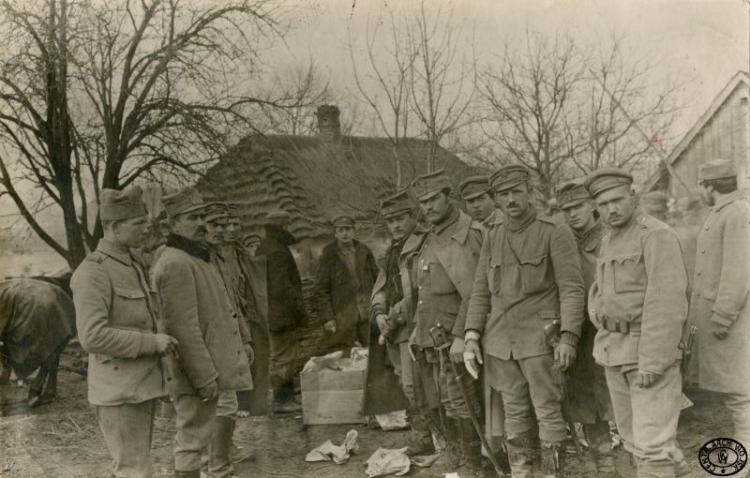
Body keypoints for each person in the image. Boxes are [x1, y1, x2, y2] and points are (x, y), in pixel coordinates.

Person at [464, 165, 585, 478]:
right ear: (497, 200)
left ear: (529, 192)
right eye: (503, 195)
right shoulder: (493, 237)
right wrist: (471, 335)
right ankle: (522, 473)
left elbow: (572, 288)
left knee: (547, 409)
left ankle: (551, 473)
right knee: (514, 411)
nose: (511, 199)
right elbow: (480, 291)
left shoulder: (553, 230)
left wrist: (569, 336)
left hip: (540, 339)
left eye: (516, 191)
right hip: (500, 341)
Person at [585, 168, 688, 478]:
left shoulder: (655, 235)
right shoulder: (609, 238)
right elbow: (601, 291)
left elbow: (667, 303)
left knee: (651, 448)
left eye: (617, 200)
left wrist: (653, 361)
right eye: (603, 205)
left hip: (645, 353)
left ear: (633, 197)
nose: (611, 210)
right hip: (614, 352)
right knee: (633, 441)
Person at [71, 185, 178, 477]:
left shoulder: (131, 263)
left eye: (146, 221)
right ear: (115, 227)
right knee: (134, 470)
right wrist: (150, 343)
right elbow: (92, 336)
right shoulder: (94, 272)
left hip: (140, 386)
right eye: (139, 223)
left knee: (138, 466)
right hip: (119, 392)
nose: (147, 228)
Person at [152, 187, 253, 478]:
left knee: (196, 437)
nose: (200, 223)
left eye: (201, 216)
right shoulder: (175, 263)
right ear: (172, 225)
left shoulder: (197, 258)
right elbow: (182, 328)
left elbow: (223, 308)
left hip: (209, 365)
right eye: (191, 217)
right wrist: (203, 376)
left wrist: (241, 341)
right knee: (191, 441)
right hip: (196, 372)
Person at [408, 169, 486, 476]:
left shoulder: (466, 234)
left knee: (463, 401)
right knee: (451, 401)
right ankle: (460, 461)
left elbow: (475, 291)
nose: (427, 207)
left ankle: (474, 466)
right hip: (435, 336)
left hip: (457, 337)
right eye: (423, 202)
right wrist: (417, 328)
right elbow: (424, 291)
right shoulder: (432, 236)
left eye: (433, 200)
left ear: (448, 197)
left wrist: (461, 336)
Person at [556, 179, 616, 476]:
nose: (572, 214)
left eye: (577, 207)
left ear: (592, 204)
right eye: (565, 210)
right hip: (576, 328)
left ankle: (616, 452)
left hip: (608, 326)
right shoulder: (563, 239)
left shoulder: (610, 235)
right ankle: (597, 453)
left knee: (608, 393)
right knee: (583, 394)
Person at [690, 159, 750, 456]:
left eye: (701, 186)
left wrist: (723, 316)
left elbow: (738, 272)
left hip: (735, 322)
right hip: (724, 321)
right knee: (737, 393)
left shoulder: (738, 213)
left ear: (709, 186)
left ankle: (745, 458)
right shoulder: (724, 212)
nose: (700, 192)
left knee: (743, 394)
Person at [368, 189, 432, 453]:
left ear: (413, 217)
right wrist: (379, 312)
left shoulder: (425, 244)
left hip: (415, 326)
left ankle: (427, 437)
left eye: (400, 218)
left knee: (415, 384)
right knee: (406, 382)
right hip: (395, 328)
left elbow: (419, 290)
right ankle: (424, 434)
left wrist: (392, 317)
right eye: (390, 220)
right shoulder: (391, 251)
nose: (395, 225)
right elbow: (381, 286)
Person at [203, 202, 257, 472]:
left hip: (232, 333)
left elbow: (238, 302)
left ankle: (225, 449)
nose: (222, 231)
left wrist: (245, 340)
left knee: (230, 397)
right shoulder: (201, 259)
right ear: (204, 227)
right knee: (217, 400)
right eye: (215, 225)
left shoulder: (230, 255)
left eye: (226, 224)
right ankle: (214, 462)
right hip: (210, 337)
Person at [256, 210, 307, 413]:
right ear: (282, 227)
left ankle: (283, 397)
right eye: (288, 225)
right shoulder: (278, 250)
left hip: (271, 311)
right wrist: (298, 304)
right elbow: (281, 287)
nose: (290, 229)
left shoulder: (265, 247)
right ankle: (282, 400)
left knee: (280, 355)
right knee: (285, 356)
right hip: (281, 313)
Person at [314, 214, 378, 352]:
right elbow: (321, 290)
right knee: (343, 355)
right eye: (341, 230)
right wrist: (327, 318)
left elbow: (377, 280)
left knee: (373, 352)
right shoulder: (328, 255)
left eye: (348, 229)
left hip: (366, 312)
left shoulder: (364, 251)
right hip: (342, 315)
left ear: (354, 231)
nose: (345, 233)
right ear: (335, 233)